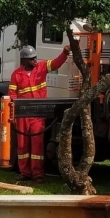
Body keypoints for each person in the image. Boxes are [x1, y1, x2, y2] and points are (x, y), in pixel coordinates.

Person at [9, 44, 71, 182]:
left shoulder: (42, 67)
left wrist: (65, 53)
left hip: (37, 115)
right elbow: (12, 95)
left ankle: (37, 174)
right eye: (31, 59)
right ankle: (25, 172)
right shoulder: (16, 75)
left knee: (37, 144)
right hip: (22, 115)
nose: (35, 60)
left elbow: (56, 64)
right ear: (24, 60)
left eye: (35, 57)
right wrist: (13, 114)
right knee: (22, 144)